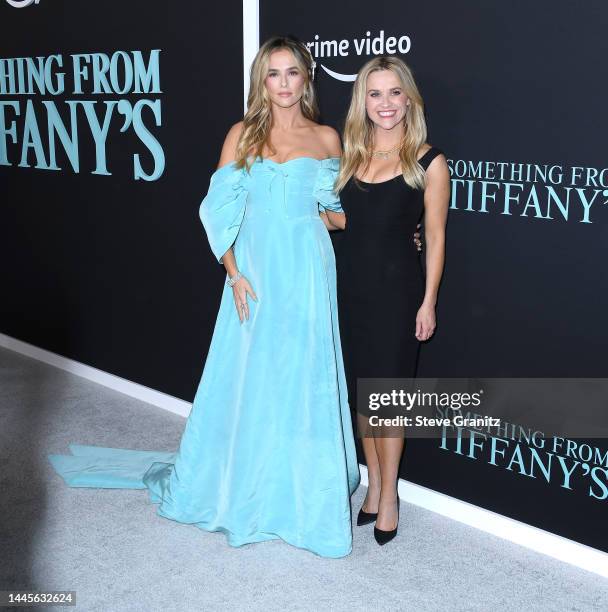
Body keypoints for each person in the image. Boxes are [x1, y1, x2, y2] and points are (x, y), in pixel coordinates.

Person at [48, 36, 360, 559]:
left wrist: (339, 214)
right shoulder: (242, 134)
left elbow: (338, 216)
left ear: (307, 78)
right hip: (256, 270)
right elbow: (219, 211)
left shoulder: (329, 137)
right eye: (273, 74)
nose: (283, 85)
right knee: (249, 374)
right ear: (261, 81)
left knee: (303, 372)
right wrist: (234, 273)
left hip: (308, 267)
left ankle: (302, 496)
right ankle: (245, 487)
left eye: (292, 73)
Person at [322, 56, 450, 545]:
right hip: (349, 287)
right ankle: (373, 486)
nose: (386, 104)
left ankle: (390, 495)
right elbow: (349, 221)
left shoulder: (428, 160)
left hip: (398, 293)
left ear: (409, 97)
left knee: (388, 398)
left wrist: (428, 301)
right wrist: (305, 212)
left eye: (394, 92)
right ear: (363, 101)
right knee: (362, 394)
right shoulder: (351, 154)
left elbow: (435, 236)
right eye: (375, 94)